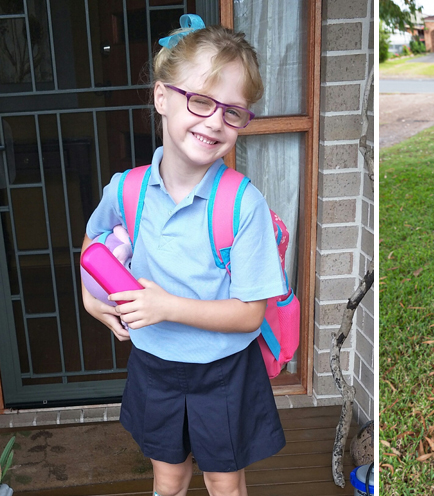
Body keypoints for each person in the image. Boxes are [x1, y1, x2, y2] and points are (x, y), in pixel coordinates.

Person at [81, 15, 287, 496]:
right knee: (168, 478)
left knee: (223, 481)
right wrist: (93, 302)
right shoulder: (127, 190)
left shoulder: (242, 204)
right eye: (199, 100)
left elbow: (250, 315)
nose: (215, 121)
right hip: (155, 366)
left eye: (233, 112)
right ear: (161, 97)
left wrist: (166, 307)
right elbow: (92, 246)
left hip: (225, 372)